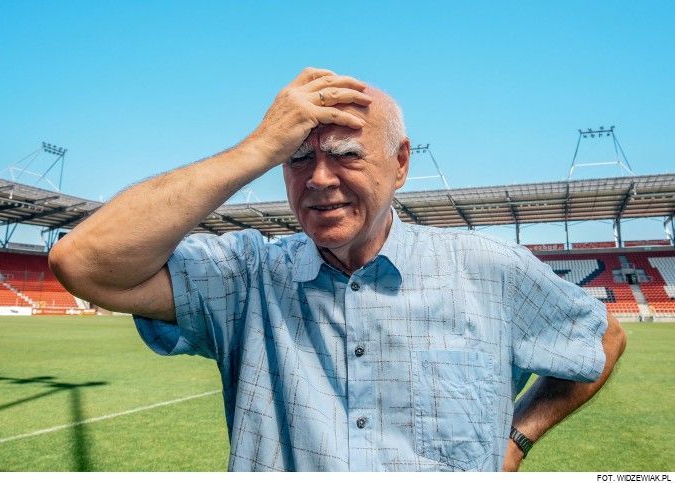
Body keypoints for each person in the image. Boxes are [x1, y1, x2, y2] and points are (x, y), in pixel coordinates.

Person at [49, 67, 627, 471]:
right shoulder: (248, 278)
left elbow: (603, 338)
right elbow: (83, 261)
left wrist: (518, 437)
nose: (319, 179)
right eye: (297, 158)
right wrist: (258, 147)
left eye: (346, 154)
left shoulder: (487, 270)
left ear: (400, 163)